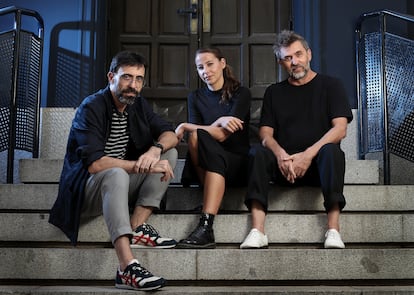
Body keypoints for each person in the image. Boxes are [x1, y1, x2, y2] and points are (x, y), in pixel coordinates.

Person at [48, 51, 179, 291]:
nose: (134, 85)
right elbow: (96, 164)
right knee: (116, 172)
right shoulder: (92, 107)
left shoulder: (137, 105)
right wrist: (139, 165)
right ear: (111, 77)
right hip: (87, 191)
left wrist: (154, 151)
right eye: (127, 77)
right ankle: (126, 267)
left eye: (139, 79)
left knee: (169, 153)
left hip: (118, 186)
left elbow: (170, 133)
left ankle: (136, 226)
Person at [240, 30, 353, 250]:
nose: (294, 62)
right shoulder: (274, 92)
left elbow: (340, 129)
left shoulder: (331, 86)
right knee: (257, 153)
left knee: (332, 151)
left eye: (298, 54)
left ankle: (333, 230)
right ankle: (257, 231)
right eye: (287, 58)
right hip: (284, 168)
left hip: (318, 168)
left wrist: (307, 155)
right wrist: (281, 155)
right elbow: (265, 133)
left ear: (309, 54)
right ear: (280, 63)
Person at [174, 47, 252, 248]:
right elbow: (202, 133)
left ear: (222, 63)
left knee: (197, 134)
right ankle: (209, 209)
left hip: (236, 161)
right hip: (210, 161)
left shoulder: (241, 93)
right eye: (200, 67)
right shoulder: (195, 97)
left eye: (210, 64)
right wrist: (220, 120)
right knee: (196, 137)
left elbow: (223, 134)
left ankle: (206, 226)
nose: (205, 71)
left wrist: (184, 126)